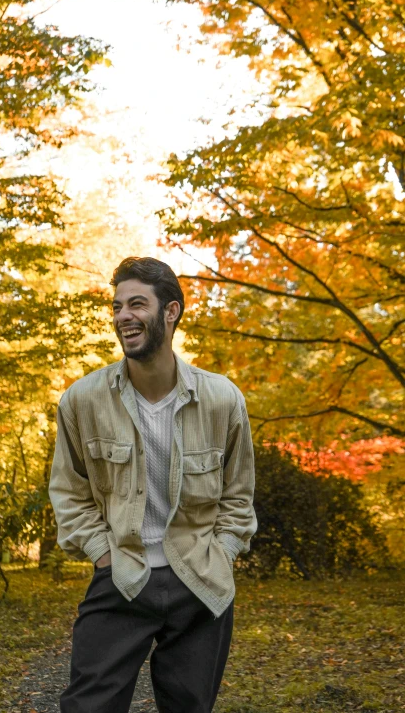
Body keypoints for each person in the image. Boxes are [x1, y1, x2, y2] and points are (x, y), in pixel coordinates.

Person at [49, 256, 257, 713]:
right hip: (121, 573)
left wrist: (222, 553)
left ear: (171, 311)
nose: (123, 316)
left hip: (200, 580)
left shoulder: (222, 399)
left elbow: (238, 496)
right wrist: (101, 553)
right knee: (88, 706)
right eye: (118, 305)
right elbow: (68, 490)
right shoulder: (83, 400)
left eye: (137, 304)